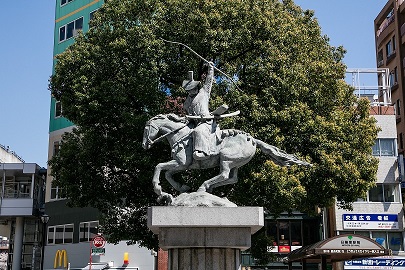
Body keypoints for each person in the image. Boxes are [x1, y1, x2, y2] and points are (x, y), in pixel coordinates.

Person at [182, 61, 216, 160]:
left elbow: (209, 80)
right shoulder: (187, 102)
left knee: (198, 131)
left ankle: (203, 152)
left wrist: (211, 69)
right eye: (191, 89)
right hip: (194, 122)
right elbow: (189, 114)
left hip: (206, 122)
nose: (194, 90)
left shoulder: (204, 92)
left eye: (195, 88)